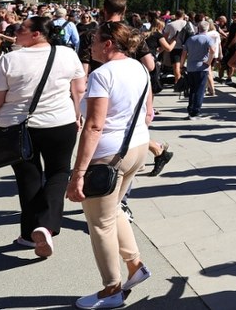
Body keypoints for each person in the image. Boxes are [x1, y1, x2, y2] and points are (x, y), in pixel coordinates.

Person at [0, 16, 85, 256]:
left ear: (37, 33)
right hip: (59, 122)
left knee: (28, 179)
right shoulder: (67, 54)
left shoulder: (10, 59)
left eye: (22, 28)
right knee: (58, 172)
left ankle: (30, 234)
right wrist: (77, 113)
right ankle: (47, 227)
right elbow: (79, 88)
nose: (16, 30)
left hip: (16, 126)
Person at [66, 21, 153, 309]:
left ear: (107, 44)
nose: (89, 47)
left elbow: (93, 126)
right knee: (114, 211)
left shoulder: (103, 74)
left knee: (99, 224)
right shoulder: (139, 67)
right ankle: (134, 264)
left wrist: (78, 173)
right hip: (137, 146)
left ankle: (111, 289)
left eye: (93, 41)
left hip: (108, 155)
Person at [180, 21, 217, 120]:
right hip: (202, 67)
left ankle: (190, 110)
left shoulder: (190, 39)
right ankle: (195, 111)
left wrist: (182, 65)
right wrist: (209, 62)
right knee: (200, 90)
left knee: (192, 89)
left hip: (191, 67)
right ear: (207, 29)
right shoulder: (208, 39)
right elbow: (212, 51)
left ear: (198, 28)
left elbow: (184, 53)